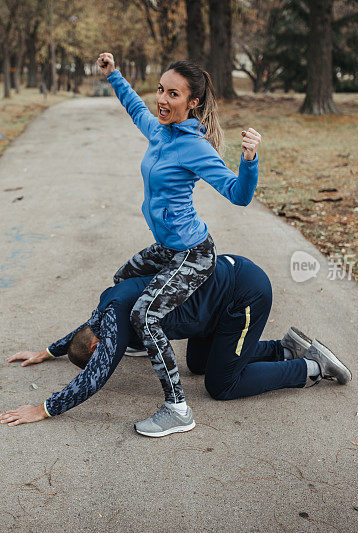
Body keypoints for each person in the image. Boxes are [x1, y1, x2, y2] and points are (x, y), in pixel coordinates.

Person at [0, 254, 352, 437]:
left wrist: (45, 408)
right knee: (198, 364)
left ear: (97, 347)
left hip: (243, 294)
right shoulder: (104, 310)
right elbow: (81, 335)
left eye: (103, 355)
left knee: (221, 384)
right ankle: (282, 348)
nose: (110, 357)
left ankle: (311, 367)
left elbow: (95, 377)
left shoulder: (118, 322)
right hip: (214, 304)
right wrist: (47, 351)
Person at [94, 51, 264, 432]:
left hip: (194, 254)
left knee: (144, 313)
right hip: (169, 247)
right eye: (161, 90)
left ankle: (178, 409)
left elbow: (239, 195)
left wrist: (249, 159)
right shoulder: (158, 130)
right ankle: (141, 341)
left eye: (173, 94)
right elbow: (134, 106)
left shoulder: (196, 148)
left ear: (193, 102)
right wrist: (114, 75)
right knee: (123, 278)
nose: (162, 100)